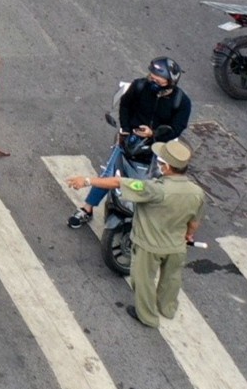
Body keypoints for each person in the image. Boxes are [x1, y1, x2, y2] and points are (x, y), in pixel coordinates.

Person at [66, 139, 204, 329]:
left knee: (143, 280)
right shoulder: (196, 192)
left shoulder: (155, 189)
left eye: (161, 162)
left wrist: (87, 181)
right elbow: (194, 223)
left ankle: (147, 317)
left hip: (150, 246)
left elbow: (119, 182)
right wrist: (188, 236)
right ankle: (167, 308)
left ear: (167, 168)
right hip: (177, 246)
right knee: (171, 279)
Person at [66, 57, 190, 228]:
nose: (152, 80)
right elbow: (125, 105)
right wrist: (125, 128)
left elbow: (177, 127)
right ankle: (87, 209)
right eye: (151, 76)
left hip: (159, 145)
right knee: (110, 173)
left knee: (159, 182)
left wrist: (153, 134)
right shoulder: (140, 86)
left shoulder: (182, 102)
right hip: (131, 140)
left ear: (170, 81)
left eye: (157, 79)